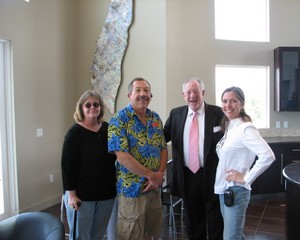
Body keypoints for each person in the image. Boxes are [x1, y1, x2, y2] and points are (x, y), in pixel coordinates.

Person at [108, 77, 168, 240]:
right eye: (138, 90)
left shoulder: (155, 119)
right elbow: (121, 156)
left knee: (152, 232)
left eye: (146, 91)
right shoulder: (119, 120)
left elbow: (163, 148)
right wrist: (151, 175)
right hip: (132, 191)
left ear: (151, 95)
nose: (143, 94)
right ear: (129, 95)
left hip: (154, 188)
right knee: (131, 234)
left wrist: (159, 175)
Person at [164, 77, 224, 240]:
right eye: (188, 92)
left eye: (196, 91)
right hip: (187, 174)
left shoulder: (217, 113)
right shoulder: (176, 114)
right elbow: (162, 137)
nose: (192, 96)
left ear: (203, 93)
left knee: (215, 217)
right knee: (193, 218)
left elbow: (230, 139)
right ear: (183, 95)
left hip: (212, 173)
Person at [214, 86, 276, 239]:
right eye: (225, 101)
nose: (228, 105)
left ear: (241, 104)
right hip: (224, 189)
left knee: (231, 237)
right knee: (234, 235)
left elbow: (268, 155)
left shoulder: (246, 128)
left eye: (233, 101)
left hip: (236, 191)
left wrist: (245, 177)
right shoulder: (230, 127)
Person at [61, 90, 117, 240]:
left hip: (106, 195)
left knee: (97, 235)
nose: (92, 107)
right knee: (81, 236)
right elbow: (67, 165)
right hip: (82, 198)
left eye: (96, 104)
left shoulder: (107, 129)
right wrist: (71, 195)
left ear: (100, 108)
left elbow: (117, 154)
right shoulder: (75, 133)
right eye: (88, 105)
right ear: (81, 108)